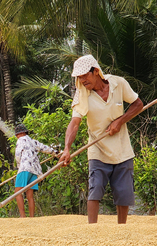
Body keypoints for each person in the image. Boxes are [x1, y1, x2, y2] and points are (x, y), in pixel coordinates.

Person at [59, 54, 143, 224]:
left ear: (96, 71)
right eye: (79, 77)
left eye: (85, 75)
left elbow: (138, 104)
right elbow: (74, 123)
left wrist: (120, 121)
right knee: (95, 188)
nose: (82, 80)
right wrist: (67, 148)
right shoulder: (82, 94)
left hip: (122, 148)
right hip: (97, 148)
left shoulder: (118, 83)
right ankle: (92, 230)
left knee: (123, 192)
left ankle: (122, 229)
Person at [14, 123, 59, 218]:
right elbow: (44, 148)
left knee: (17, 192)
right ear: (26, 132)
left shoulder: (20, 140)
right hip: (35, 170)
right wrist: (56, 153)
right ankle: (32, 217)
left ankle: (22, 216)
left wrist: (19, 166)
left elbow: (18, 155)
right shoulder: (33, 141)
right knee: (29, 195)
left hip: (25, 168)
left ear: (18, 134)